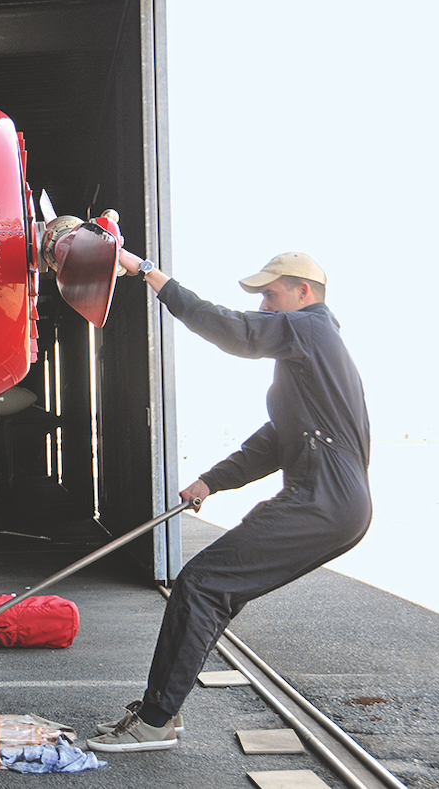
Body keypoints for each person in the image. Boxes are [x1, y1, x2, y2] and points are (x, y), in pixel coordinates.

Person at [87, 250, 372, 753]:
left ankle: (155, 721)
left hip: (324, 499)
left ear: (303, 293)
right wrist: (210, 482)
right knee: (210, 589)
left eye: (270, 293)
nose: (263, 305)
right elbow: (271, 442)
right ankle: (161, 714)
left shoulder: (310, 328)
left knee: (201, 584)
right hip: (330, 501)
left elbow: (232, 331)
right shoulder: (308, 359)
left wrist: (148, 273)